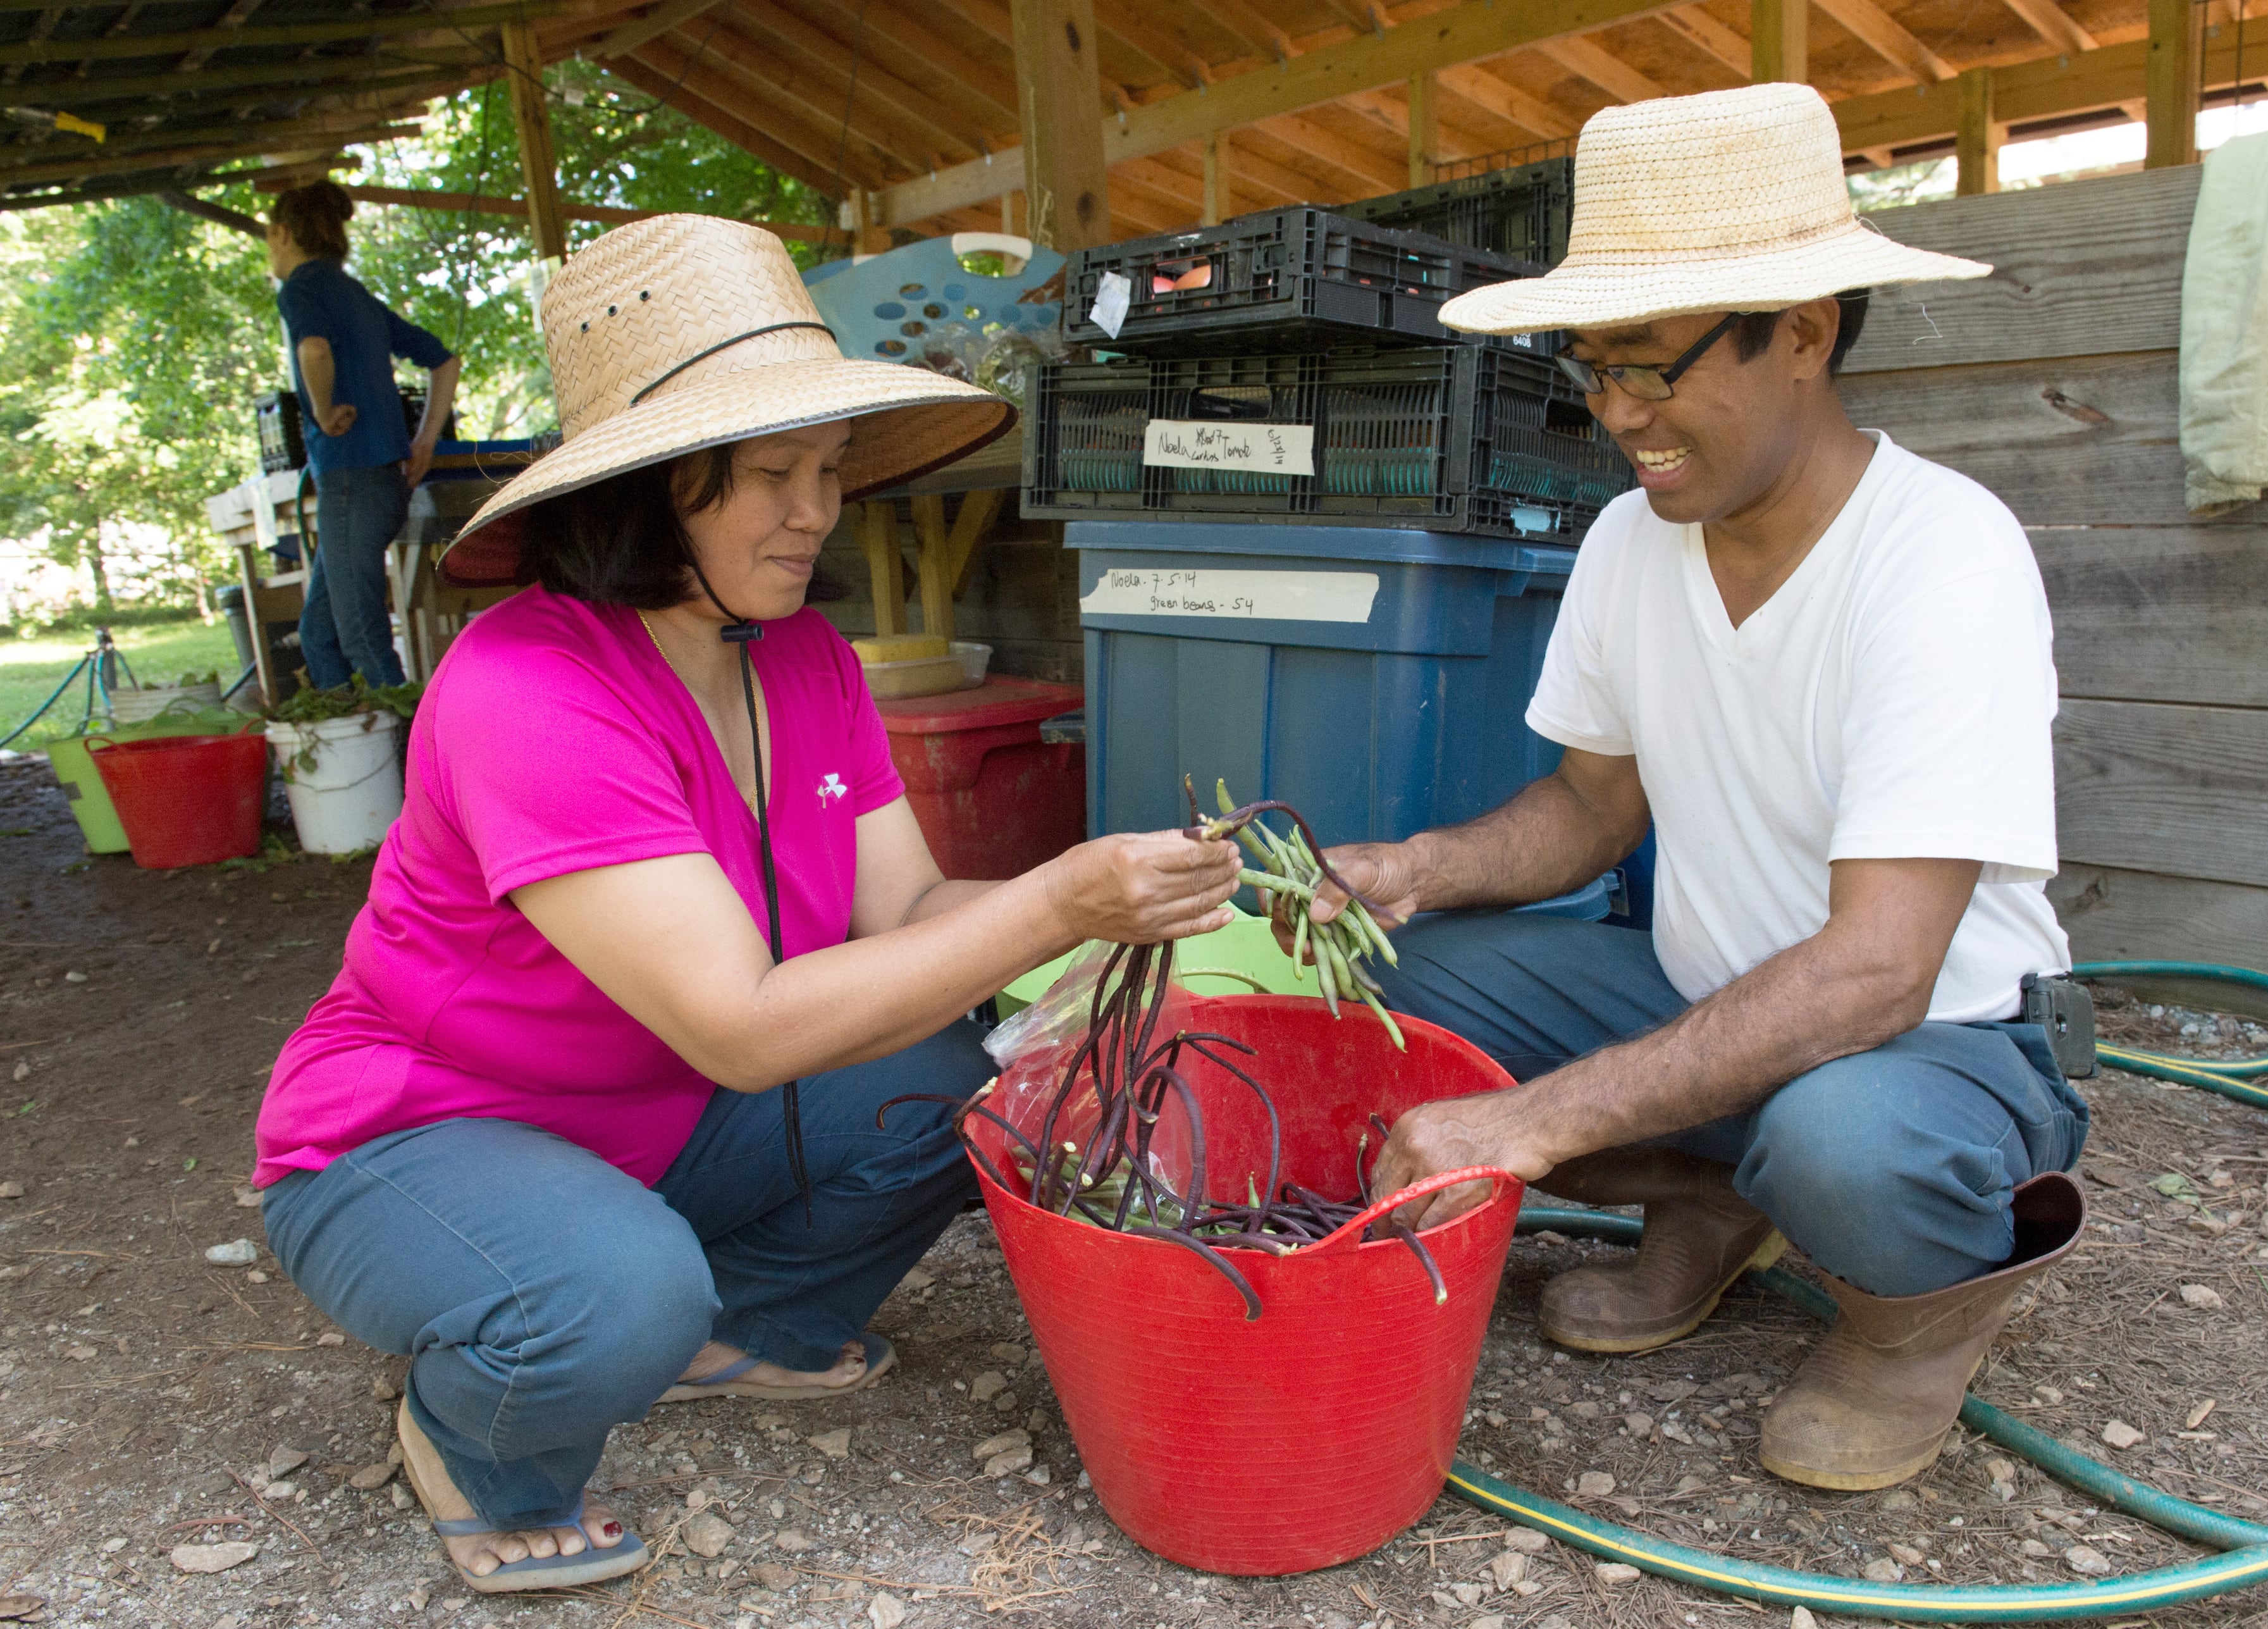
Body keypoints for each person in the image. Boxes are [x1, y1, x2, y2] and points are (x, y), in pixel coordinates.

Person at [251, 214, 1244, 1595]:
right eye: (772, 474)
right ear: (654, 491)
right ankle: (478, 1438)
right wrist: (1067, 901)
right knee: (616, 1294)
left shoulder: (803, 657)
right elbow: (740, 1027)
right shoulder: (528, 689)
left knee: (987, 1076)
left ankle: (747, 1322)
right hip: (419, 1135)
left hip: (654, 1114)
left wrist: (1106, 929)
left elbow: (908, 907)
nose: (818, 509)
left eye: (828, 470)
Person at [1294, 85, 2090, 1494]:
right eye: (1592, 369)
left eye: (1654, 369)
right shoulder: (1627, 541)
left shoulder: (1943, 557)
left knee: (1845, 1141)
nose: (1619, 415)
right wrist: (1409, 871)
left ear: (1804, 332)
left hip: (1941, 1047)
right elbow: (1592, 813)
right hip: (1707, 1000)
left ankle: (1916, 1323)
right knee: (1389, 988)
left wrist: (1534, 1121)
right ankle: (1718, 1197)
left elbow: (1877, 977)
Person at [266, 180, 462, 691]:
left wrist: (323, 409)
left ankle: (407, 755)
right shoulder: (355, 295)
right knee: (320, 635)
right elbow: (444, 360)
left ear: (282, 234)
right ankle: (348, 751)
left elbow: (314, 350)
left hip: (351, 479)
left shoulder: (303, 288)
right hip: (382, 482)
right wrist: (425, 441)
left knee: (360, 635)